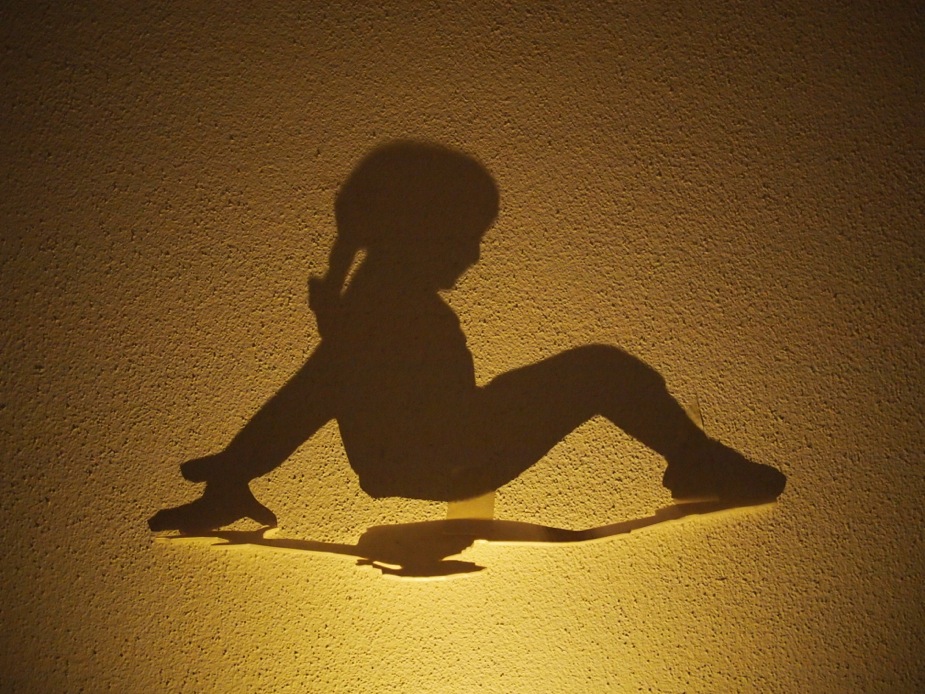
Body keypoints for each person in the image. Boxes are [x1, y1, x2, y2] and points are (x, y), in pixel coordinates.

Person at [149, 141, 785, 534]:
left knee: (585, 374)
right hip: (441, 457)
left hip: (448, 449)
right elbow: (310, 397)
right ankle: (697, 459)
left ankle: (694, 457)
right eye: (465, 237)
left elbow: (319, 393)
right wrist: (235, 469)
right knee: (602, 371)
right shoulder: (380, 314)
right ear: (417, 230)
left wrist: (235, 471)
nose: (475, 255)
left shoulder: (378, 306)